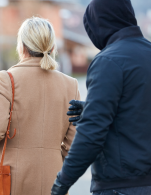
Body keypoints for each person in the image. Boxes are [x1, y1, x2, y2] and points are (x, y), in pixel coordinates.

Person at [51, 0, 151, 194]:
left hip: (120, 186)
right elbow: (139, 107)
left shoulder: (109, 61)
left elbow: (91, 134)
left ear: (98, 24)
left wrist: (61, 183)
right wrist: (92, 107)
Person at [0, 17, 80, 195]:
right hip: (53, 180)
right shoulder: (70, 85)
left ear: (21, 46)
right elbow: (73, 144)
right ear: (52, 47)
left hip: (10, 178)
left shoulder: (5, 79)